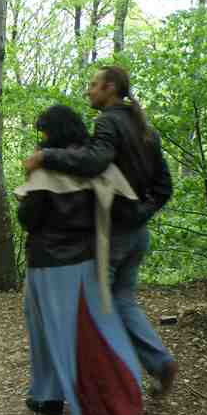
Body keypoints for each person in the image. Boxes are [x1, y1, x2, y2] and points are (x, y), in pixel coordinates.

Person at [24, 65, 176, 395]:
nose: (88, 91)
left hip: (113, 233)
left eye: (93, 85)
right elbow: (164, 187)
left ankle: (114, 387)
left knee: (97, 312)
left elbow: (95, 162)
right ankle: (159, 360)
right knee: (123, 301)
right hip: (137, 233)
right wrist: (141, 214)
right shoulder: (145, 129)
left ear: (110, 88)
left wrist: (45, 157)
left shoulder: (108, 121)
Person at [16, 104, 143, 415]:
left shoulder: (45, 168)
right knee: (83, 332)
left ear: (52, 132)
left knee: (48, 331)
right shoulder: (95, 166)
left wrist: (26, 192)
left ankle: (64, 402)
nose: (40, 138)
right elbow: (125, 207)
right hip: (86, 259)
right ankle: (52, 396)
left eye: (43, 131)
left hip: (48, 262)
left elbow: (29, 218)